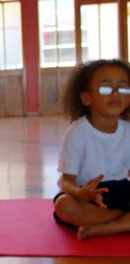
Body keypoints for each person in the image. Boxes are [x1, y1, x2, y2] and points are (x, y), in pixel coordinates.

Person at [53, 59, 130, 239]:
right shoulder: (77, 133)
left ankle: (107, 227)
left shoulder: (128, 130)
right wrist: (81, 193)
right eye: (106, 88)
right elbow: (66, 182)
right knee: (64, 205)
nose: (116, 94)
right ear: (86, 98)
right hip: (86, 194)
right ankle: (121, 220)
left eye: (123, 88)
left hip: (121, 189)